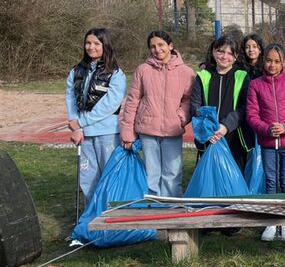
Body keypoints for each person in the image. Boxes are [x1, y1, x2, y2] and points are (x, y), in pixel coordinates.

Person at [120, 30, 195, 197]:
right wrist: (127, 132)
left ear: (170, 45)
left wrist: (180, 118)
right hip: (147, 130)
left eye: (160, 45)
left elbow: (189, 100)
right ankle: (153, 205)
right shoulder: (142, 70)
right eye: (152, 46)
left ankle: (171, 205)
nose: (157, 49)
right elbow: (132, 101)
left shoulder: (187, 72)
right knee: (151, 173)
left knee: (172, 173)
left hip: (172, 130)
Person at [246, 44, 285, 242]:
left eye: (277, 61)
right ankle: (272, 220)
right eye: (269, 60)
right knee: (271, 180)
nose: (272, 65)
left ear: (283, 63)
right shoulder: (256, 85)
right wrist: (266, 129)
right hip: (267, 143)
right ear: (264, 61)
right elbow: (252, 115)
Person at [65, 28, 127, 204]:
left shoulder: (116, 73)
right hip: (83, 134)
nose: (91, 47)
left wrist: (81, 122)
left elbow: (109, 105)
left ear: (105, 45)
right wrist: (75, 125)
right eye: (88, 43)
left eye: (96, 44)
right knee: (88, 177)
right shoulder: (76, 71)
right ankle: (91, 217)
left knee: (110, 175)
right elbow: (70, 97)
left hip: (107, 133)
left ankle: (110, 215)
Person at [191, 36, 252, 171]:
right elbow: (195, 106)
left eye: (230, 53)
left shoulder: (242, 76)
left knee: (233, 178)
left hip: (234, 138)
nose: (225, 56)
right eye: (220, 51)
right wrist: (209, 129)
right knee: (209, 178)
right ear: (213, 52)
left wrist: (225, 126)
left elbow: (245, 107)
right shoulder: (203, 76)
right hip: (208, 137)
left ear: (236, 57)